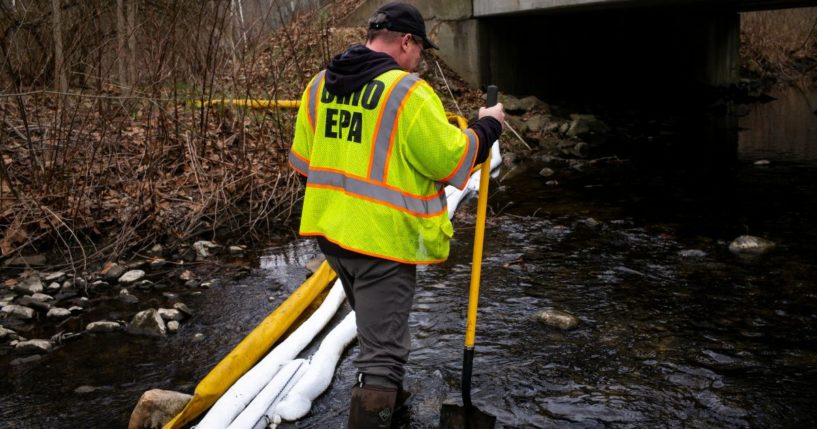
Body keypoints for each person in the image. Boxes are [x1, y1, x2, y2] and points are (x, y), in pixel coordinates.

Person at [288, 2, 504, 427]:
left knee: (373, 335)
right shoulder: (407, 93)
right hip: (382, 246)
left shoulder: (319, 85)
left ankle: (390, 404)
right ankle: (376, 409)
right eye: (420, 48)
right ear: (406, 41)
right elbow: (452, 160)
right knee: (384, 354)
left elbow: (303, 166)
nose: (420, 58)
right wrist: (488, 126)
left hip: (332, 239)